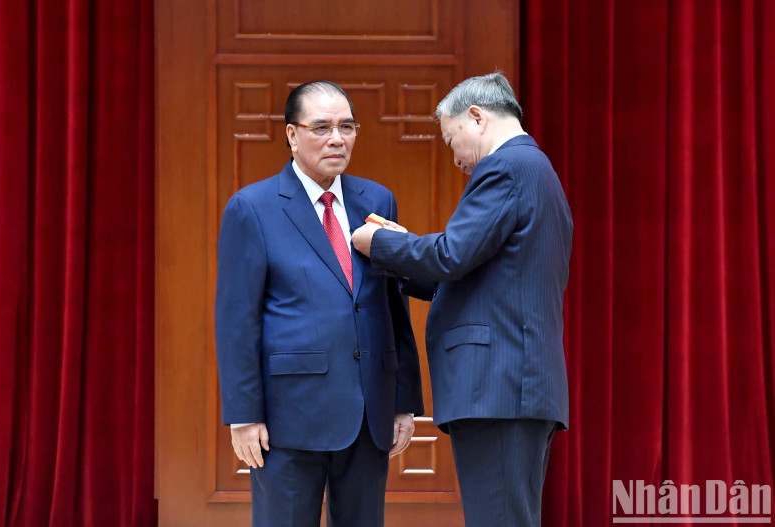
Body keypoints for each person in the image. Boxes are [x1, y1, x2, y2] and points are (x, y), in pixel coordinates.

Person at [351, 72, 573, 527]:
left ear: (477, 117)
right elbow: (474, 274)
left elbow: (450, 256)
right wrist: (407, 250)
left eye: (452, 140)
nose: (455, 159)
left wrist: (379, 244)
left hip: (500, 386)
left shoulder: (506, 167)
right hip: (518, 385)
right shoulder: (536, 169)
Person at [215, 80, 424, 527]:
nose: (337, 139)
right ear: (292, 134)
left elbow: (393, 308)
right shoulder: (252, 207)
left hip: (369, 411)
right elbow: (237, 322)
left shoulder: (377, 200)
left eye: (347, 127)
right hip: (288, 416)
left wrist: (403, 400)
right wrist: (243, 415)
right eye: (322, 127)